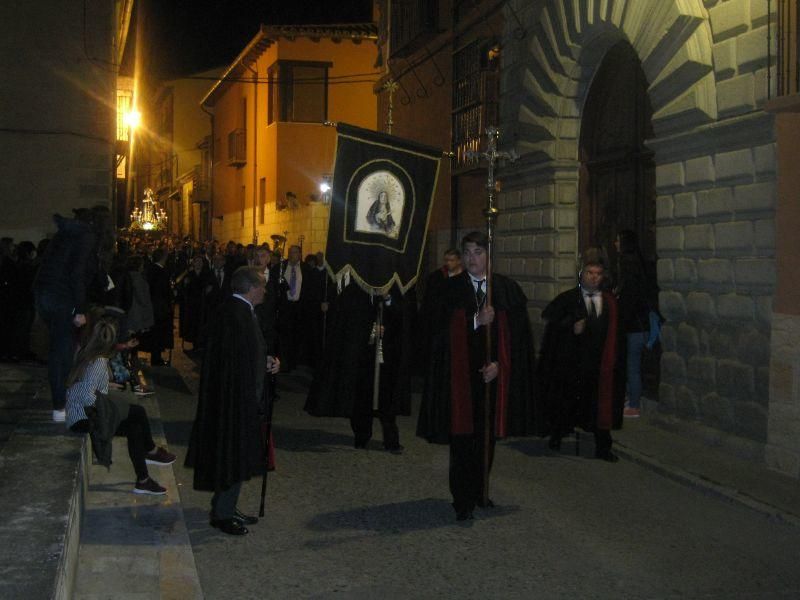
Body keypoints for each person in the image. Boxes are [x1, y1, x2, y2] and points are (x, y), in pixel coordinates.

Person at [416, 232, 536, 520]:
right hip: (461, 379)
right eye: (467, 252)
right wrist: (474, 321)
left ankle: (481, 490)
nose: (472, 258)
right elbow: (436, 333)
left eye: (478, 252)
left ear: (489, 255)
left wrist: (500, 366)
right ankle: (462, 500)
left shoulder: (505, 289)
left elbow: (518, 340)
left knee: (486, 439)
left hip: (493, 378)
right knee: (462, 440)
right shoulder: (450, 289)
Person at [186, 266, 281, 536]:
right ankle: (223, 514)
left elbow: (245, 355)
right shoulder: (235, 315)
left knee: (235, 453)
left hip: (237, 396)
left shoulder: (236, 311)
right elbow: (237, 361)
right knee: (233, 454)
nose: (265, 290)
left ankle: (226, 505)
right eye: (262, 285)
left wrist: (266, 362)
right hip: (236, 400)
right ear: (251, 288)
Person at [65, 318, 175, 495]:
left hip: (79, 413)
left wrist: (109, 389)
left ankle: (144, 478)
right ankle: (150, 452)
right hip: (83, 417)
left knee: (135, 426)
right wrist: (110, 406)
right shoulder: (99, 361)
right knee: (137, 413)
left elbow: (87, 386)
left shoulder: (85, 353)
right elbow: (87, 397)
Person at [305, 278, 415, 453]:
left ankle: (391, 440)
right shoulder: (355, 289)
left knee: (386, 399)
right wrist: (370, 330)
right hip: (361, 355)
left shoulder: (394, 286)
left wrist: (387, 300)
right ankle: (362, 436)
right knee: (361, 397)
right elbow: (348, 320)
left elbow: (402, 315)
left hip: (386, 355)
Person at [538, 248, 620, 462]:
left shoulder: (609, 302)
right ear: (581, 274)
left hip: (598, 364)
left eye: (597, 274)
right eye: (589, 273)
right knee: (565, 403)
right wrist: (569, 326)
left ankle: (603, 448)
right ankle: (556, 435)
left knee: (599, 408)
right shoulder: (568, 298)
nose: (593, 277)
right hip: (572, 365)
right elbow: (551, 321)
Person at [34, 206, 114, 421]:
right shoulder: (86, 237)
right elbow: (76, 273)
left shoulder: (68, 233)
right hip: (61, 296)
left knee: (58, 349)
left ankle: (60, 403)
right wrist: (79, 309)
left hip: (46, 293)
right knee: (63, 351)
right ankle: (60, 406)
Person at [614, 230, 657, 419]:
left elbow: (628, 303)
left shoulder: (628, 266)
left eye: (617, 240)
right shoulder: (639, 265)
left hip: (634, 327)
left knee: (631, 366)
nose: (614, 243)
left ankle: (634, 405)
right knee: (633, 365)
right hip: (642, 325)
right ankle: (631, 399)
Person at [276, 244, 312, 371]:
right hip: (285, 307)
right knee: (285, 335)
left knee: (297, 335)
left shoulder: (306, 268)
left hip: (299, 307)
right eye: (290, 252)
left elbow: (309, 289)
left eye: (295, 252)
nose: (292, 255)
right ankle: (284, 362)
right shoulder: (281, 267)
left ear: (300, 255)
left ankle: (295, 361)